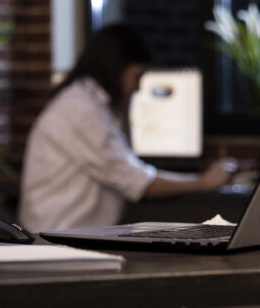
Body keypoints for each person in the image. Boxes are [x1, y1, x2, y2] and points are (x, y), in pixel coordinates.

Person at [18, 24, 237, 232]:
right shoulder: (80, 109)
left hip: (63, 235)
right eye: (137, 77)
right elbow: (136, 181)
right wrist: (203, 182)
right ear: (115, 69)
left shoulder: (88, 102)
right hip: (55, 241)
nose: (139, 87)